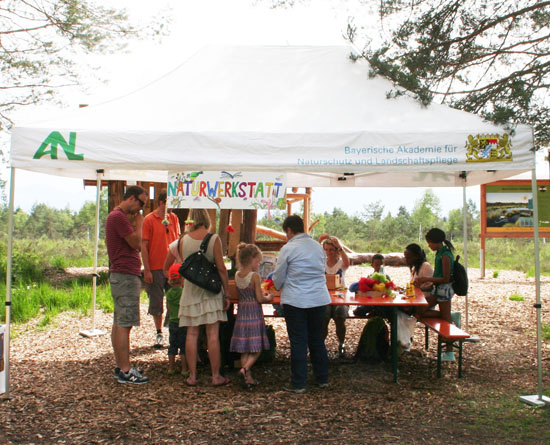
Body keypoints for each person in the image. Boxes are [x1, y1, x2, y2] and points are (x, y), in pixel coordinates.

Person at [272, 215, 330, 393]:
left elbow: (278, 277)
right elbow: (323, 269)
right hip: (319, 299)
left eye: (286, 233)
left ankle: (298, 382)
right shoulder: (317, 247)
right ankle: (322, 378)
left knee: (298, 341)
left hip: (296, 300)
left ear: (289, 230)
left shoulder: (288, 248)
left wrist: (276, 284)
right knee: (317, 339)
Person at [178, 209, 231, 387]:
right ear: (206, 219)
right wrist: (227, 292)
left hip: (190, 291)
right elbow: (222, 268)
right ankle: (216, 375)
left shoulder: (182, 240)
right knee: (212, 335)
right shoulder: (213, 239)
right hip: (210, 291)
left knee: (192, 334)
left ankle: (192, 376)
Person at [105, 185, 150, 384]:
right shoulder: (119, 217)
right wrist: (140, 223)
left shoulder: (117, 217)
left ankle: (121, 365)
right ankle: (125, 369)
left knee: (119, 322)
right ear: (131, 198)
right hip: (125, 275)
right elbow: (136, 243)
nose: (140, 209)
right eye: (141, 204)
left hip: (122, 275)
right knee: (125, 323)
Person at [230, 243, 273, 388]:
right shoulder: (254, 276)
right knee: (257, 348)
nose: (259, 264)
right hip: (254, 314)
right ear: (250, 259)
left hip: (242, 314)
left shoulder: (237, 275)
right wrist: (268, 297)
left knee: (245, 348)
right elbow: (260, 298)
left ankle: (247, 378)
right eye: (257, 261)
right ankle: (245, 369)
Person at [141, 190, 180, 348]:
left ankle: (172, 331)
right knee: (156, 302)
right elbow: (144, 245)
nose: (172, 208)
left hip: (172, 268)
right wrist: (147, 269)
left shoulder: (174, 218)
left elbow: (178, 241)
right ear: (162, 202)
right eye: (170, 204)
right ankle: (158, 333)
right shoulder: (149, 219)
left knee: (175, 300)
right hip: (155, 267)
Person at [414, 228, 456, 360]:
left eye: (430, 243)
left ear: (437, 242)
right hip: (437, 289)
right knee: (420, 312)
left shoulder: (445, 255)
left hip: (444, 289)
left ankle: (449, 352)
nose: (429, 246)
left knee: (445, 320)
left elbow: (445, 278)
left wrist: (426, 279)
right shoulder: (439, 253)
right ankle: (450, 316)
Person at [321, 236, 349, 357]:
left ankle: (341, 343)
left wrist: (339, 246)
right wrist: (318, 241)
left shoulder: (341, 263)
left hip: (340, 297)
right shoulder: (321, 263)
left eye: (331, 250)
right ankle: (320, 346)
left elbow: (347, 262)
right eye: (326, 250)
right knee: (323, 316)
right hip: (324, 297)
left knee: (339, 315)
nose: (329, 253)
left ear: (336, 250)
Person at [166, 263, 189, 377]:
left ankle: (171, 367)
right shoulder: (183, 292)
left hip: (172, 322)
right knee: (183, 346)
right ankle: (184, 369)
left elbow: (168, 308)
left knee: (172, 345)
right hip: (182, 321)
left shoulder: (169, 293)